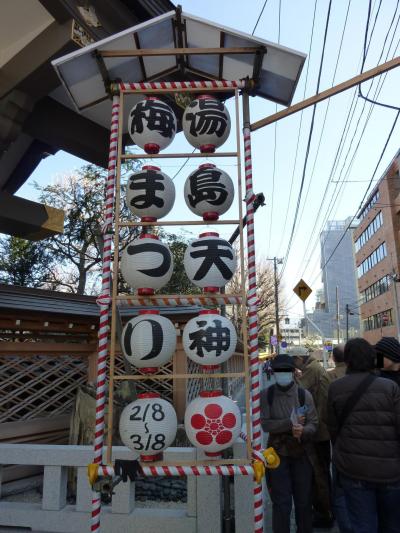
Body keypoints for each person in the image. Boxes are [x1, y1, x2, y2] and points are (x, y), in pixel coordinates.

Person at [327, 338, 400, 533]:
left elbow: (333, 429)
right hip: (390, 470)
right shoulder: (390, 387)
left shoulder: (336, 388)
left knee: (362, 525)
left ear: (348, 361)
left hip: (353, 469)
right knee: (392, 525)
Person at [261, 353, 318, 533]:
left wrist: (304, 430)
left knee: (304, 500)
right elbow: (264, 424)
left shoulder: (304, 395)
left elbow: (313, 423)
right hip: (277, 455)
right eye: (279, 371)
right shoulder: (266, 395)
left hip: (302, 453)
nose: (282, 374)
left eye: (286, 370)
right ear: (273, 372)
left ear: (293, 372)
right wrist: (288, 423)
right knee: (281, 501)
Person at [287, 345, 334, 528]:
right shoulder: (314, 368)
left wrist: (294, 377)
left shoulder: (312, 370)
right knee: (321, 471)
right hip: (321, 428)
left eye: (293, 361)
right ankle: (326, 509)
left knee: (319, 473)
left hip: (318, 431)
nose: (293, 365)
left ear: (299, 358)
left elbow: (298, 392)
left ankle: (325, 512)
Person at [326, 344, 353, 533]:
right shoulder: (378, 381)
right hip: (372, 450)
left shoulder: (330, 379)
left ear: (334, 359)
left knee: (341, 490)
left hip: (341, 445)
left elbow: (328, 416)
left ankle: (346, 526)